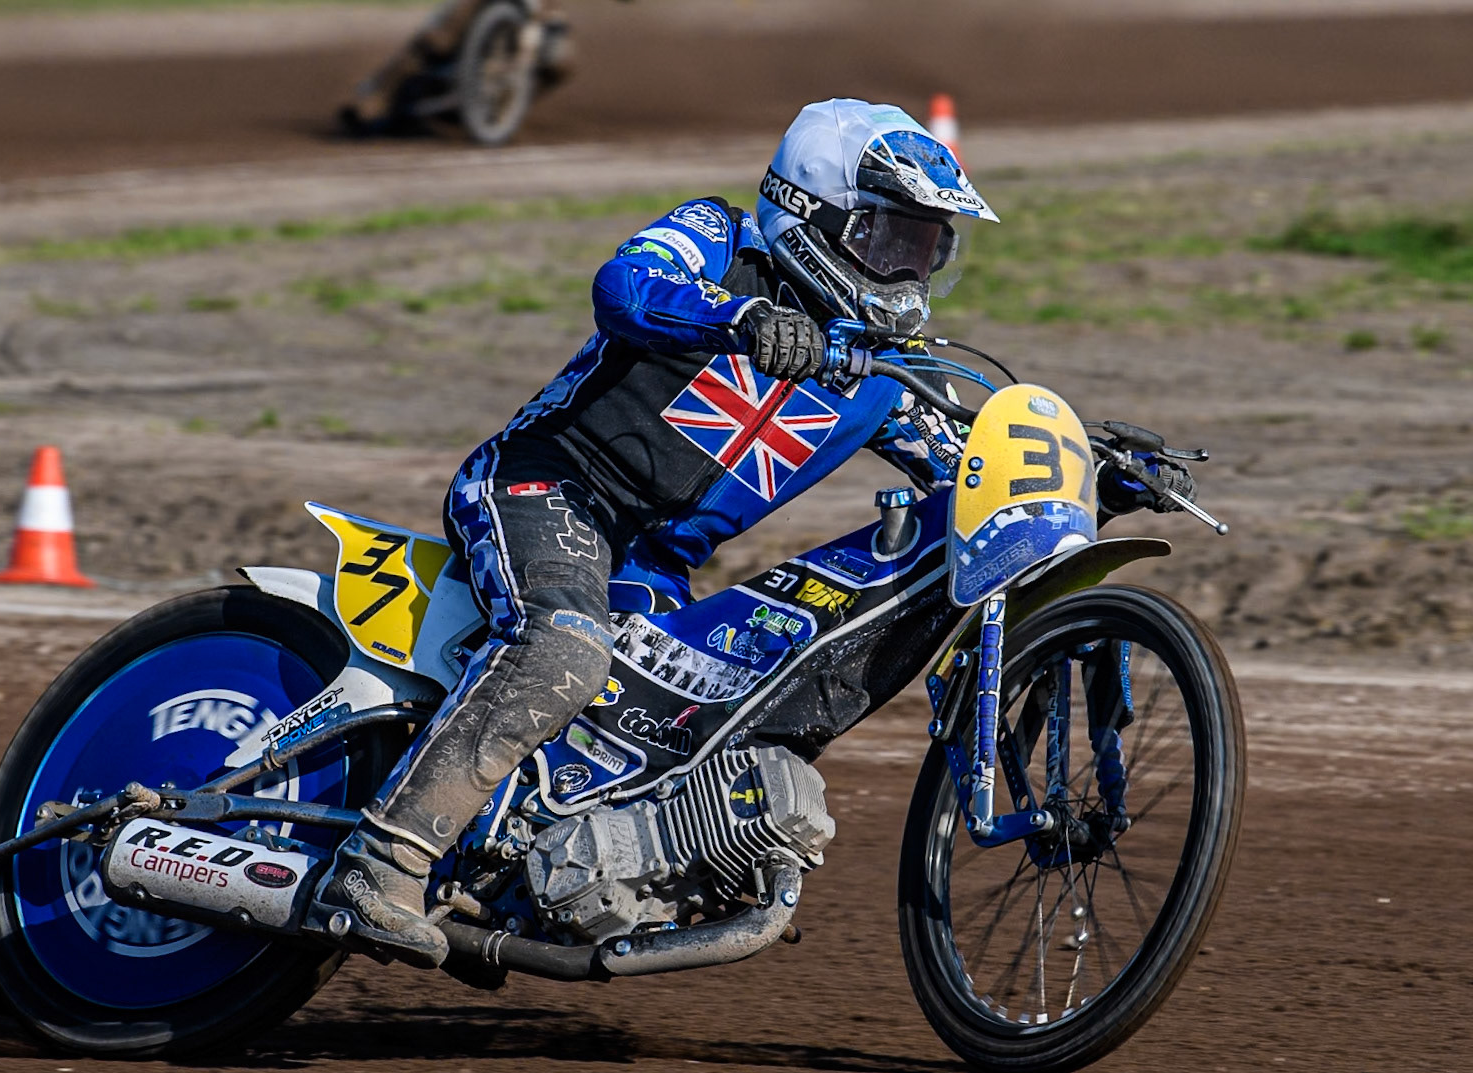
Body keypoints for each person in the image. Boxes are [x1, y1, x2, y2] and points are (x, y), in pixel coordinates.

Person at [310, 97, 1189, 967]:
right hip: (546, 485)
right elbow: (624, 287)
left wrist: (1094, 477)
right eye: (889, 238)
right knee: (564, 646)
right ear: (812, 214)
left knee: (686, 728)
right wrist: (740, 319)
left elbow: (969, 471)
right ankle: (379, 863)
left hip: (653, 561)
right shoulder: (720, 238)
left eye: (926, 246)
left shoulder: (882, 374)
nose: (907, 269)